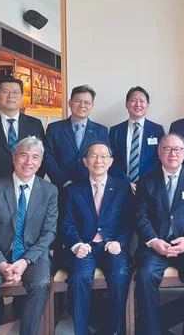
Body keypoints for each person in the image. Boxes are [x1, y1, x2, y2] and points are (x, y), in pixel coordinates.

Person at [0, 136, 57, 335]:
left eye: (35, 157)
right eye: (24, 155)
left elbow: (49, 233)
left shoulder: (49, 191)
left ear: (40, 162)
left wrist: (25, 261)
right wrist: (2, 264)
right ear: (14, 157)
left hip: (32, 256)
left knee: (40, 284)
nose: (29, 162)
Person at [134, 133, 184, 335]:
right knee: (145, 275)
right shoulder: (147, 180)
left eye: (177, 149)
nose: (172, 153)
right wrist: (153, 241)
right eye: (167, 149)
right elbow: (140, 215)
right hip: (156, 244)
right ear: (159, 153)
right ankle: (151, 331)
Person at [62, 142, 133, 335]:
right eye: (93, 156)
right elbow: (67, 223)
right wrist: (76, 244)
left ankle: (114, 330)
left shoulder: (122, 187)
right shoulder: (73, 190)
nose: (98, 160)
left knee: (120, 274)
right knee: (79, 277)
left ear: (111, 162)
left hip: (112, 245)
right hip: (85, 246)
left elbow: (129, 222)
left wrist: (120, 242)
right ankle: (81, 330)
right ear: (85, 161)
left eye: (103, 156)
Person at [43, 84, 109, 193]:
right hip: (61, 188)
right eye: (78, 101)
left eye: (87, 102)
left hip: (91, 189)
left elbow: (104, 159)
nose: (82, 105)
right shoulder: (54, 128)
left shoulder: (101, 131)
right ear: (70, 103)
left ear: (92, 106)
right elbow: (48, 157)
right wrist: (64, 181)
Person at [109, 86, 165, 192]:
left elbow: (160, 159)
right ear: (126, 104)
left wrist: (143, 182)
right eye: (133, 100)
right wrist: (126, 182)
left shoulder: (157, 130)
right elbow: (110, 160)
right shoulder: (115, 131)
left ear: (147, 105)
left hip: (149, 186)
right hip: (120, 185)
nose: (138, 104)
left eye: (142, 101)